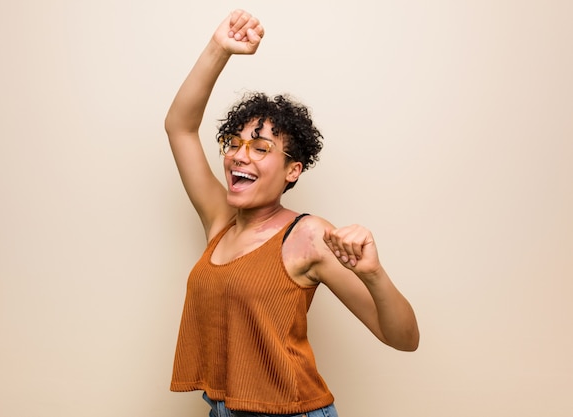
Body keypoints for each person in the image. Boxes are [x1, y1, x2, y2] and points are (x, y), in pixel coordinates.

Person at [164, 9, 419, 417]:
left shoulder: (309, 236)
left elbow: (404, 338)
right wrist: (219, 48)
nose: (239, 155)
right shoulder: (219, 221)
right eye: (234, 143)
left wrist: (374, 274)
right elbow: (179, 127)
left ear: (292, 170)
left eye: (261, 147)